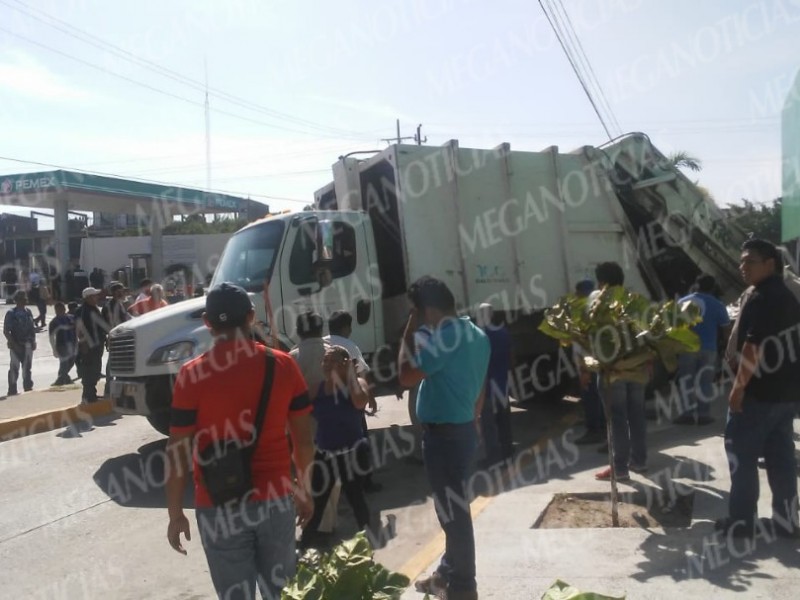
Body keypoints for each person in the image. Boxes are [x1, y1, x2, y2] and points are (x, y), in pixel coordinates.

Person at [165, 282, 315, 599]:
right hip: (275, 498)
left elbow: (177, 451)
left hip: (218, 504)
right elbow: (303, 441)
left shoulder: (191, 375)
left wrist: (175, 512)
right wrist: (304, 488)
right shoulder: (283, 364)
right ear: (250, 317)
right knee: (283, 591)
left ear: (207, 322)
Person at [399, 276, 490, 600]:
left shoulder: (445, 339)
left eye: (418, 312)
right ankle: (444, 576)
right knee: (456, 508)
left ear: (426, 310)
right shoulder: (476, 334)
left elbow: (406, 376)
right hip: (463, 431)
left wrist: (407, 333)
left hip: (444, 437)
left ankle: (464, 587)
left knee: (454, 516)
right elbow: (480, 386)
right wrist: (474, 419)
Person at [715, 239, 800, 539]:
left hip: (758, 396)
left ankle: (741, 524)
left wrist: (738, 389)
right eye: (741, 261)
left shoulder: (764, 297)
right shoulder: (787, 296)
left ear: (770, 264)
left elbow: (753, 347)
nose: (742, 267)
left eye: (750, 261)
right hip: (785, 396)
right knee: (782, 461)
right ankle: (786, 522)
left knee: (743, 458)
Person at [299, 345, 375, 550]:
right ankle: (304, 546)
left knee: (356, 498)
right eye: (325, 360)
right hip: (325, 455)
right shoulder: (317, 389)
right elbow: (298, 409)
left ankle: (367, 544)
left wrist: (350, 374)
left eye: (333, 361)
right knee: (317, 501)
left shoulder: (357, 384)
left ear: (346, 364)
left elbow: (360, 402)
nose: (327, 365)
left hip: (352, 454)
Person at [592, 262, 648, 482]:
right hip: (636, 369)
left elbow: (595, 337)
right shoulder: (635, 301)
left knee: (617, 419)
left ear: (602, 282)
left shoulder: (600, 303)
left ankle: (620, 468)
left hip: (613, 370)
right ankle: (640, 461)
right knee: (637, 415)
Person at [325, 310, 381, 492]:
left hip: (329, 402)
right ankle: (365, 483)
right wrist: (370, 398)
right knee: (360, 442)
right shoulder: (349, 345)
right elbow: (362, 374)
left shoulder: (324, 343)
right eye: (349, 327)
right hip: (351, 401)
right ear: (345, 327)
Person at [672, 274, 730, 426]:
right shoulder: (717, 304)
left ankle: (687, 414)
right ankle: (704, 414)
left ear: (696, 285)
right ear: (712, 287)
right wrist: (725, 348)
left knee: (686, 381)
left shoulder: (683, 302)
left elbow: (674, 326)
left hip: (687, 348)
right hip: (709, 348)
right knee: (705, 381)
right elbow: (726, 329)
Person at [475, 303, 514, 468]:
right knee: (504, 422)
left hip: (488, 390)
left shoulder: (480, 336)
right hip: (503, 386)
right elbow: (512, 359)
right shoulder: (504, 333)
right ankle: (508, 454)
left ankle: (493, 457)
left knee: (489, 425)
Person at [74, 287, 108, 403]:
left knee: (95, 370)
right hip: (89, 347)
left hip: (96, 345)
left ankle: (91, 394)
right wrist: (84, 344)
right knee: (89, 371)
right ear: (88, 298)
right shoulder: (84, 311)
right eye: (94, 296)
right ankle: (88, 396)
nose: (97, 297)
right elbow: (80, 330)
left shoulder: (93, 309)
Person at [4, 290, 36, 396]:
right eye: (22, 299)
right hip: (16, 345)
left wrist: (34, 341)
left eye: (25, 298)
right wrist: (13, 343)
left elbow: (32, 328)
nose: (24, 300)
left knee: (27, 367)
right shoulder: (11, 313)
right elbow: (6, 331)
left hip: (28, 344)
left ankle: (28, 386)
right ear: (16, 300)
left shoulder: (28, 312)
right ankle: (12, 389)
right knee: (14, 368)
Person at [289, 311, 330, 394]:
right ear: (321, 330)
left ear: (297, 331)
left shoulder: (290, 358)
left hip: (302, 404)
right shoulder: (335, 354)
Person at [48, 302, 77, 386]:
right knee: (64, 363)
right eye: (57, 309)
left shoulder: (71, 318)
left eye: (61, 309)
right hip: (62, 345)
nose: (60, 311)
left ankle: (64, 377)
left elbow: (76, 330)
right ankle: (61, 379)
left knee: (71, 362)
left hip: (72, 343)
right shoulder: (54, 322)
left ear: (64, 309)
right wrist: (54, 349)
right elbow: (51, 337)